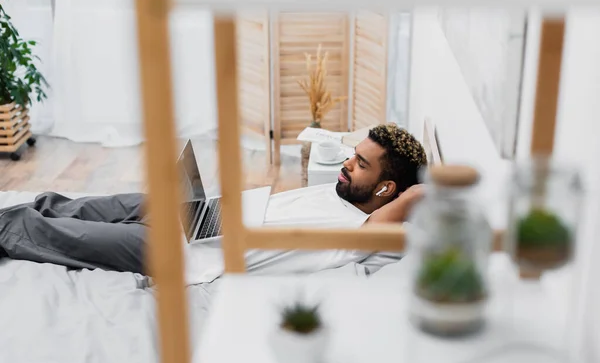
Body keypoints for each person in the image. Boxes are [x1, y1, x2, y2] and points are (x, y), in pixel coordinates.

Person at [0, 123, 428, 278]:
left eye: (361, 163)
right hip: (203, 218)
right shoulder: (337, 193)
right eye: (353, 155)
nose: (348, 163)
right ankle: (34, 208)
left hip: (184, 255)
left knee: (58, 234)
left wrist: (418, 194)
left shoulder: (356, 233)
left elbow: (401, 208)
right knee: (91, 206)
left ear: (387, 190)